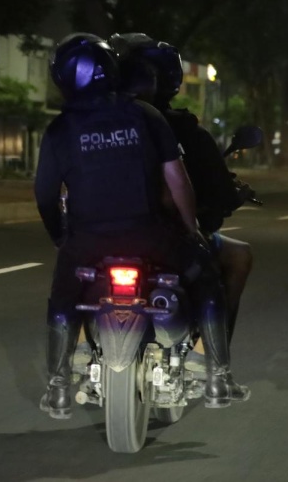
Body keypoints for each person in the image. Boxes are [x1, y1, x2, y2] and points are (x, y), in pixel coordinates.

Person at [34, 33, 248, 419]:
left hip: (88, 242)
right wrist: (190, 229)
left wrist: (60, 238)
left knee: (63, 298)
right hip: (149, 236)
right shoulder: (143, 116)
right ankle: (217, 376)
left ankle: (59, 387)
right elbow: (178, 180)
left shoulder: (59, 130)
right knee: (207, 281)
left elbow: (46, 196)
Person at [110, 33, 255, 355]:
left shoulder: (87, 124)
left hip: (99, 234)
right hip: (164, 238)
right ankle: (212, 356)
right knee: (236, 256)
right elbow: (188, 187)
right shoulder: (178, 128)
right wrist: (201, 221)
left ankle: (70, 361)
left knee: (72, 280)